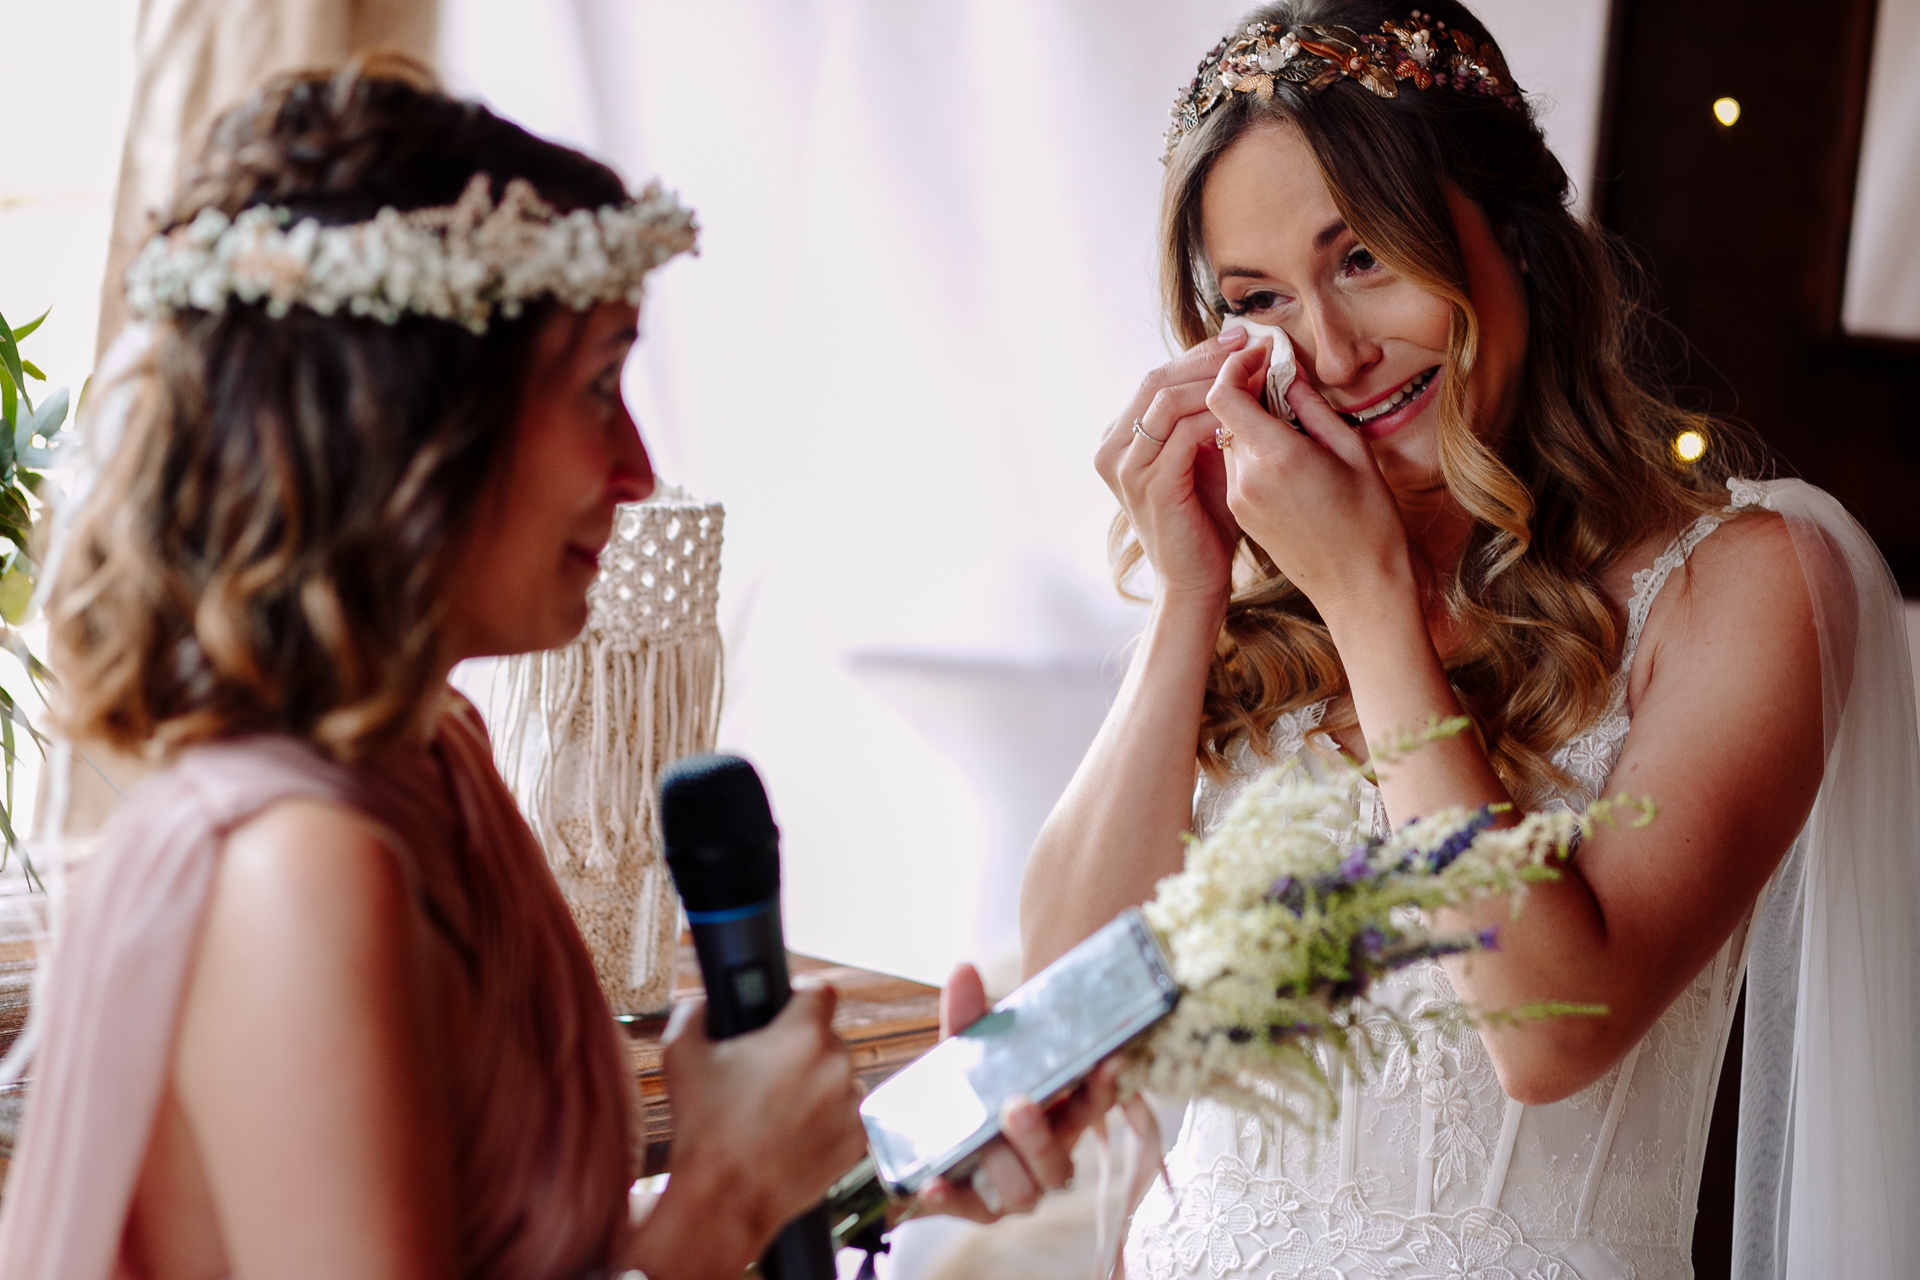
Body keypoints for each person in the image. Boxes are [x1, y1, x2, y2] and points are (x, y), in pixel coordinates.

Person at [0, 58, 1109, 1280]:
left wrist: (862, 1167)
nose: (636, 468)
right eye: (595, 387)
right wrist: (728, 1189)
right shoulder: (300, 868)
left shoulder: (438, 752)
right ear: (414, 432)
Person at [1019, 3, 1920, 1278]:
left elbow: (1551, 1032)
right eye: (1262, 298)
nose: (1329, 351)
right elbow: (1063, 1014)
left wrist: (1374, 604)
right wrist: (1186, 599)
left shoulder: (1750, 581)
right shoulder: (1255, 609)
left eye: (1366, 261)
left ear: (1515, 238)